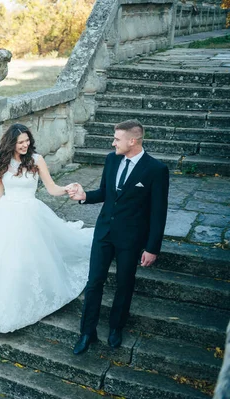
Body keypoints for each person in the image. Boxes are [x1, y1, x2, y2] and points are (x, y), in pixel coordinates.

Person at [0, 123, 93, 334]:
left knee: (27, 255)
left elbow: (51, 188)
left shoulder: (37, 160)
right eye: (20, 142)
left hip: (30, 214)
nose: (25, 145)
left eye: (27, 140)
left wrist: (67, 188)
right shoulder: (1, 162)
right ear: (11, 143)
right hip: (6, 214)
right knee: (1, 261)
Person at [67, 119, 169, 355]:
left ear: (132, 141)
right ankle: (87, 332)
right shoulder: (112, 159)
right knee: (94, 283)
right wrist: (84, 196)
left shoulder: (156, 170)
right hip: (104, 233)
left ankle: (116, 328)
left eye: (117, 139)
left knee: (124, 284)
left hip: (131, 239)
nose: (113, 142)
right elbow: (105, 192)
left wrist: (152, 247)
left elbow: (158, 213)